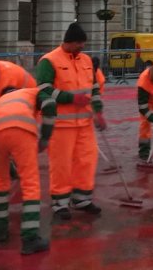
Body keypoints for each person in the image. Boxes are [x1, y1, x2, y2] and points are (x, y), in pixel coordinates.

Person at [0, 84, 62, 255]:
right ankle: (30, 238)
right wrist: (45, 138)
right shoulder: (33, 92)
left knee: (0, 179)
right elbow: (49, 104)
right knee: (30, 183)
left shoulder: (1, 101)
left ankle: (1, 232)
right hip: (21, 128)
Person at [35, 23, 100, 221]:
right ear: (69, 42)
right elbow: (43, 89)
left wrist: (99, 111)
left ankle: (82, 198)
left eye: (83, 43)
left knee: (87, 160)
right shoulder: (49, 61)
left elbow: (94, 87)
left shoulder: (86, 60)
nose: (82, 47)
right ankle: (60, 202)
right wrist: (70, 99)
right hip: (61, 124)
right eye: (79, 43)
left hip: (85, 123)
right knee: (61, 164)